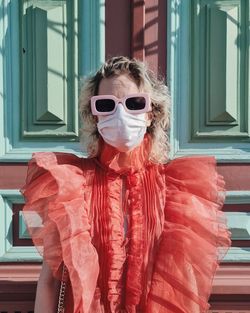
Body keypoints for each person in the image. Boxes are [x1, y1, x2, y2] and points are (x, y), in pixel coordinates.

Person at [21, 56, 231, 313]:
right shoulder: (70, 184)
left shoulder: (178, 189)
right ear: (95, 116)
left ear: (151, 113)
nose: (120, 114)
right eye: (106, 105)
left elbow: (184, 289)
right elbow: (50, 281)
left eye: (134, 103)